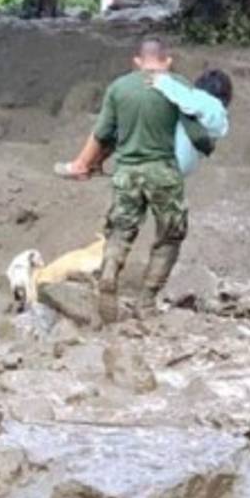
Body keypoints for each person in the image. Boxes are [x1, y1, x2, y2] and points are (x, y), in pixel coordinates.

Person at [58, 38, 198, 324]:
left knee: (120, 230)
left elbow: (102, 135)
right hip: (163, 171)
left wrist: (83, 164)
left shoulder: (120, 88)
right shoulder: (179, 85)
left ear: (137, 61)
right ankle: (146, 302)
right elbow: (196, 132)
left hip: (127, 172)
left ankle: (109, 275)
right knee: (170, 234)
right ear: (167, 61)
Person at [56, 68, 233, 180]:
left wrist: (163, 82)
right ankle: (93, 164)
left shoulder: (211, 107)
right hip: (176, 168)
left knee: (118, 123)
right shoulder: (217, 121)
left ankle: (82, 165)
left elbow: (192, 100)